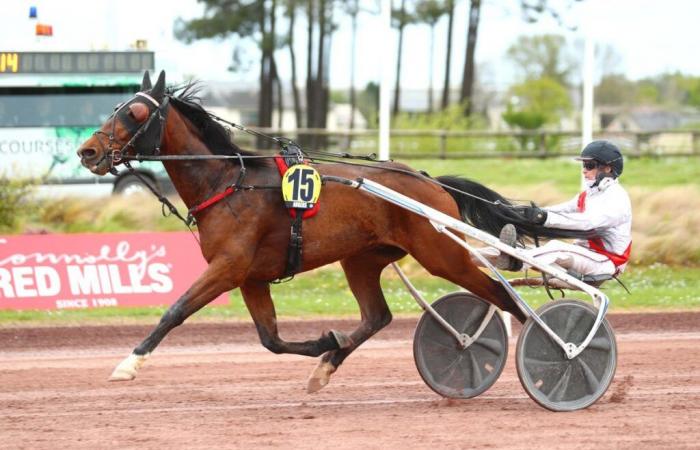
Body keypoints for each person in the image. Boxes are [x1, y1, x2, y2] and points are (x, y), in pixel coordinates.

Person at [481, 140, 632, 279]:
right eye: (583, 165)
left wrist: (544, 218)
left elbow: (587, 223)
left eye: (589, 165)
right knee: (523, 248)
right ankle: (470, 256)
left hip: (607, 262)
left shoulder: (617, 198)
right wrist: (523, 213)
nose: (584, 170)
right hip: (586, 255)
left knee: (556, 247)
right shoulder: (589, 195)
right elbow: (562, 210)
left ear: (607, 168)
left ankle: (516, 262)